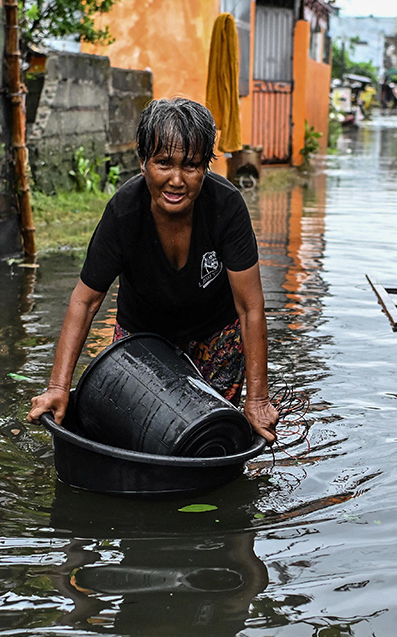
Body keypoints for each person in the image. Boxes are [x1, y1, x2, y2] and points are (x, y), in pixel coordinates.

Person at [28, 98, 278, 441]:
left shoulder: (226, 207)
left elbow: (250, 308)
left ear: (205, 166)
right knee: (138, 434)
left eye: (190, 166)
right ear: (143, 162)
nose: (176, 180)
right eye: (163, 163)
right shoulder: (123, 213)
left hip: (214, 338)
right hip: (142, 340)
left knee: (208, 437)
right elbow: (84, 302)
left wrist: (258, 399)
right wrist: (58, 387)